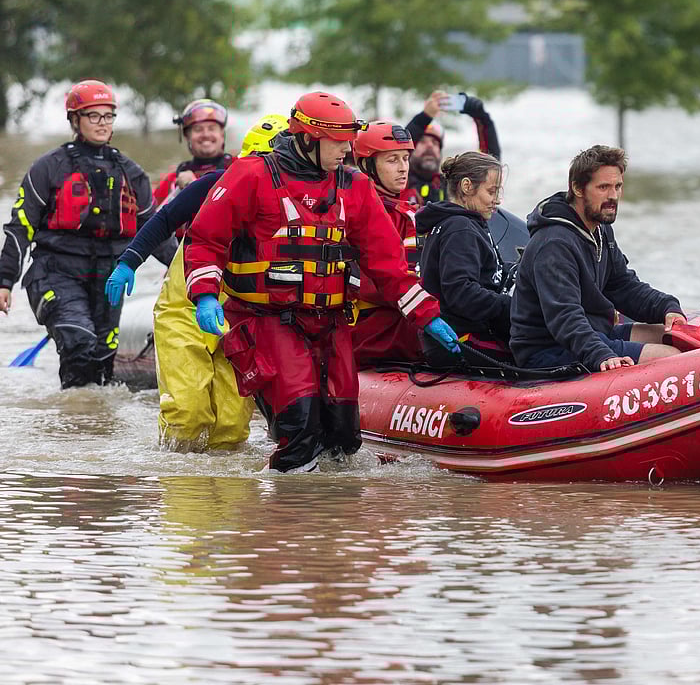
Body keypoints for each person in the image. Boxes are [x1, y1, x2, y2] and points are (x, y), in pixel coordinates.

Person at [183, 92, 461, 472]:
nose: (347, 149)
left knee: (343, 438)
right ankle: (284, 504)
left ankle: (330, 509)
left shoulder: (354, 186)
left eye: (350, 140)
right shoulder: (251, 176)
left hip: (331, 324)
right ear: (308, 139)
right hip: (267, 320)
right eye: (338, 141)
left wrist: (427, 315)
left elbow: (388, 264)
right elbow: (205, 240)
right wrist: (205, 296)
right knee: (300, 428)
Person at [105, 115, 289, 451]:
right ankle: (177, 473)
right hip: (184, 310)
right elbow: (165, 219)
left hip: (241, 316)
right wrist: (129, 262)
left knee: (232, 425)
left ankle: (222, 481)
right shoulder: (217, 182)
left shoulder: (299, 198)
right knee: (188, 413)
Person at [0, 79, 173, 388]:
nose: (102, 123)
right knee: (79, 342)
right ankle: (73, 412)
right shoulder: (48, 167)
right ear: (75, 120)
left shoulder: (131, 172)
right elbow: (20, 227)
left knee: (102, 363)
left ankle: (88, 415)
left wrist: (193, 273)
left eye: (108, 116)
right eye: (93, 115)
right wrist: (4, 280)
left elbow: (155, 232)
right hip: (56, 273)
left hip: (109, 279)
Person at [509, 145, 686, 372]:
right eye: (603, 187)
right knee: (672, 358)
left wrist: (667, 307)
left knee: (672, 337)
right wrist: (601, 354)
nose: (613, 196)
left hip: (593, 332)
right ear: (577, 188)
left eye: (617, 186)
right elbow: (564, 317)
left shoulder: (600, 229)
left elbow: (623, 286)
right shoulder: (554, 244)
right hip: (548, 349)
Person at [348, 120, 447, 367]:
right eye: (392, 160)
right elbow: (380, 283)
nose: (403, 168)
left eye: (405, 159)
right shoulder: (362, 212)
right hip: (375, 337)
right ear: (367, 165)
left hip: (405, 329)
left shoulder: (406, 210)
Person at [416, 151, 513, 363]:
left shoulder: (464, 223)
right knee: (534, 353)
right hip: (459, 337)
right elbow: (461, 293)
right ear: (467, 186)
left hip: (467, 331)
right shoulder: (460, 228)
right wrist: (512, 306)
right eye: (491, 191)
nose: (497, 200)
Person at [402, 90, 501, 207]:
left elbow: (489, 165)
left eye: (435, 143)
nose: (429, 146)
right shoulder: (399, 181)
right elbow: (401, 147)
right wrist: (425, 117)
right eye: (422, 141)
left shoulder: (453, 185)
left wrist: (482, 118)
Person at [152, 99, 234, 206]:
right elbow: (151, 212)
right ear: (187, 136)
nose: (205, 134)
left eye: (212, 128)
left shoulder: (238, 169)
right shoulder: (172, 180)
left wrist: (194, 187)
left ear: (222, 134)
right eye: (198, 129)